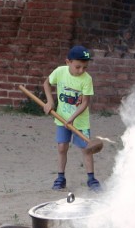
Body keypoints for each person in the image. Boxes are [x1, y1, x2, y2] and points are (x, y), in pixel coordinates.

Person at [42, 45, 101, 192]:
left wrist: (72, 119)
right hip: (61, 118)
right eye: (78, 67)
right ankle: (60, 178)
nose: (81, 70)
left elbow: (85, 102)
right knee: (62, 147)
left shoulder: (87, 79)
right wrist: (50, 102)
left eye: (85, 67)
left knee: (87, 149)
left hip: (80, 121)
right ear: (68, 62)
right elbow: (47, 84)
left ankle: (91, 179)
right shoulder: (60, 72)